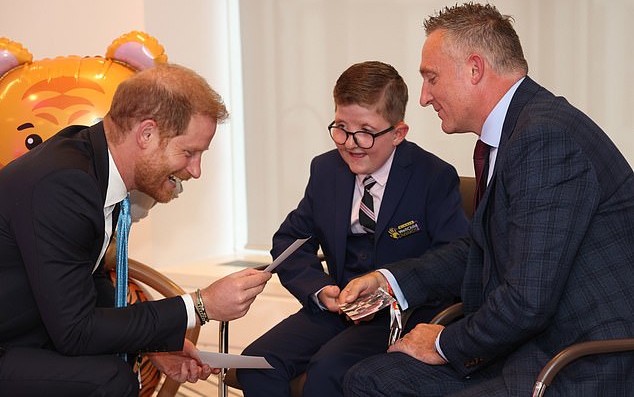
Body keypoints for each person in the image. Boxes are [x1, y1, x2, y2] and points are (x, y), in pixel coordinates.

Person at [340, 2, 634, 396]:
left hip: (573, 362)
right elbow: (480, 247)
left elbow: (528, 301)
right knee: (369, 378)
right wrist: (391, 280)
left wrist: (443, 344)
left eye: (432, 78)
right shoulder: (517, 133)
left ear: (474, 69)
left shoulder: (544, 138)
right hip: (527, 349)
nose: (424, 97)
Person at [0, 63, 272, 396]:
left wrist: (157, 343)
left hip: (30, 332)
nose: (196, 170)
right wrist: (199, 305)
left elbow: (88, 282)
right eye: (189, 152)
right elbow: (76, 331)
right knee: (109, 379)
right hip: (13, 341)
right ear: (146, 134)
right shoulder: (63, 185)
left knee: (114, 370)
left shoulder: (91, 164)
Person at [237, 61, 469, 397]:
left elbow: (455, 257)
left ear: (398, 133)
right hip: (338, 306)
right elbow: (290, 240)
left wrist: (390, 284)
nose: (350, 142)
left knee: (328, 371)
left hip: (401, 314)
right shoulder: (327, 170)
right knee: (258, 362)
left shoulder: (432, 176)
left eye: (365, 131)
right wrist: (319, 289)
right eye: (341, 127)